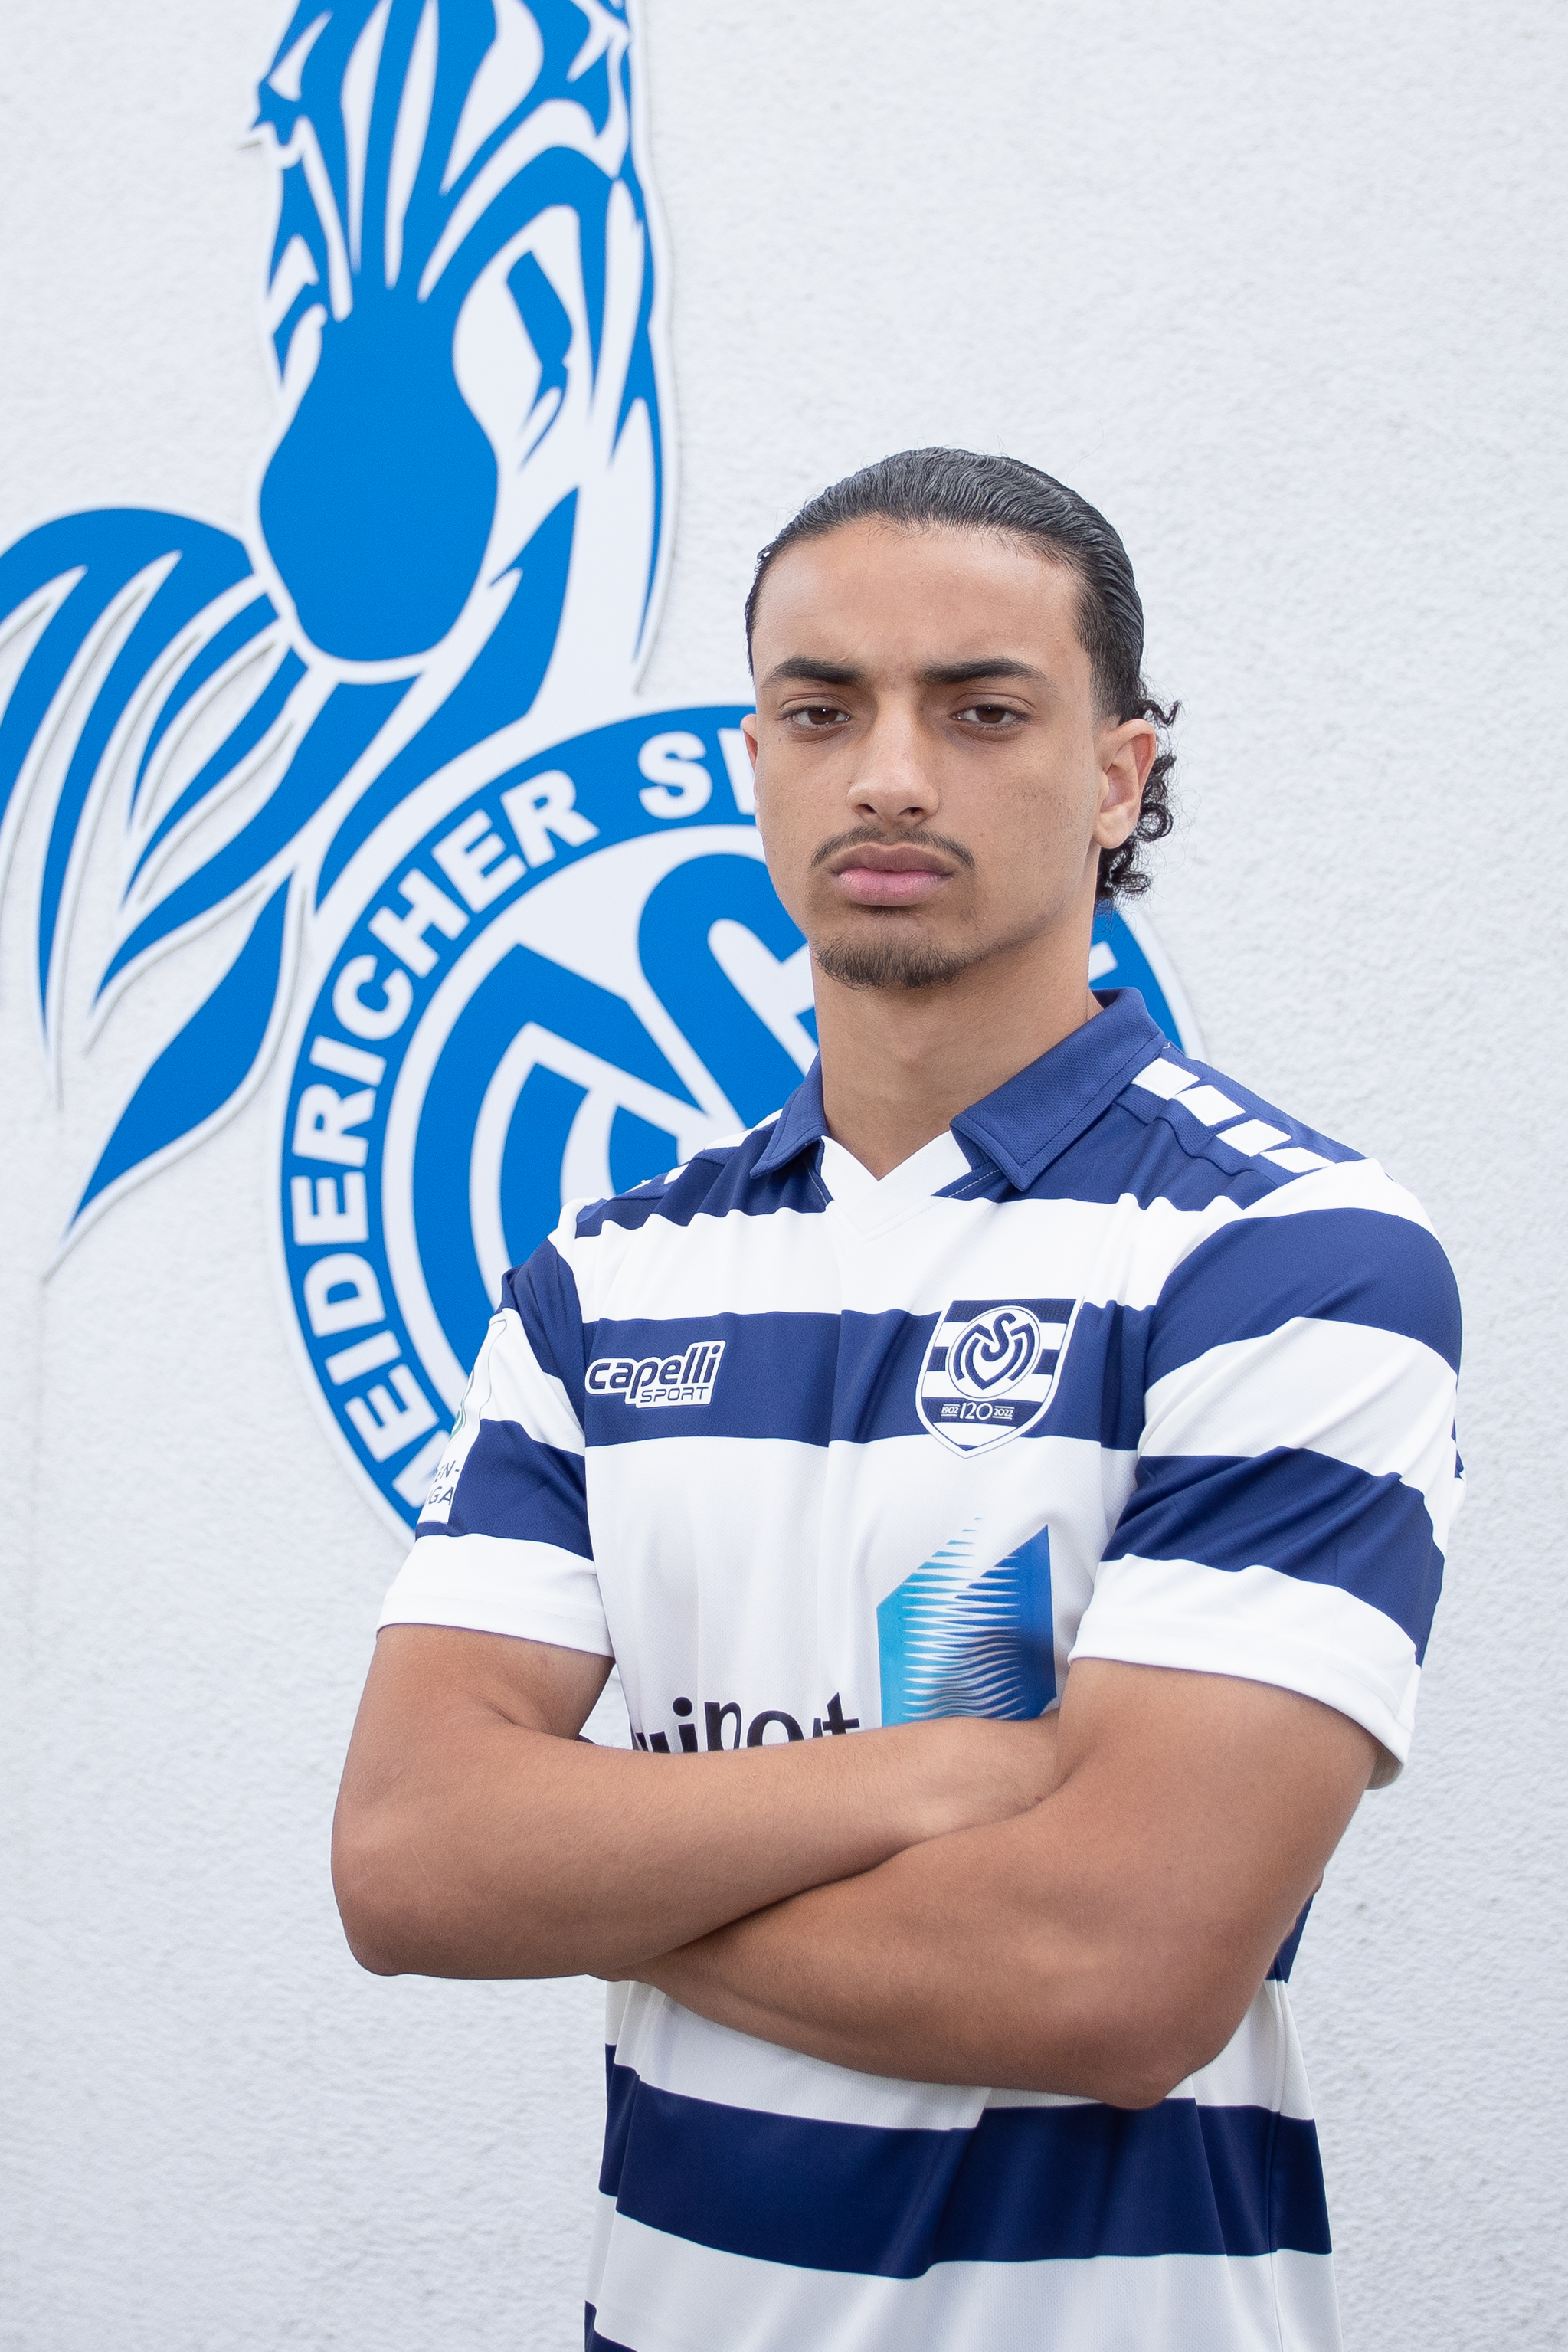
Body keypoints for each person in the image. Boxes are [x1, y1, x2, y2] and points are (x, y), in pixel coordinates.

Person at [332, 447, 1462, 2352]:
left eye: (981, 708)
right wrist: (937, 1771)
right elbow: (407, 1858)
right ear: (754, 761)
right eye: (821, 708)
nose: (889, 774)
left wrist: (583, 1868)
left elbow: (1111, 1973)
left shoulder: (1287, 1255)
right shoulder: (605, 1281)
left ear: (1119, 774)